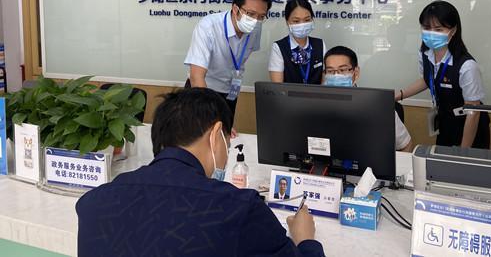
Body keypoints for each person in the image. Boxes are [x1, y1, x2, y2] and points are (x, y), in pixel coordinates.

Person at [76, 88, 325, 257]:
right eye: (228, 143)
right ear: (216, 135)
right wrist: (305, 240)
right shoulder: (238, 208)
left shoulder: (94, 203)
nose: (227, 153)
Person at [397, 0, 490, 148]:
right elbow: (427, 79)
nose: (431, 33)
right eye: (426, 28)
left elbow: (473, 112)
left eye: (438, 29)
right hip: (445, 121)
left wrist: (463, 152)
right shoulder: (425, 53)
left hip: (468, 126)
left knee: (462, 161)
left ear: (453, 30)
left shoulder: (467, 66)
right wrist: (399, 95)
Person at [185, 0, 272, 118]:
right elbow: (196, 77)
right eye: (250, 14)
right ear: (235, 9)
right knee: (201, 128)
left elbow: (241, 58)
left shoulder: (256, 28)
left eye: (261, 16)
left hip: (231, 90)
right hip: (202, 91)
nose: (255, 21)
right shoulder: (208, 26)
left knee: (227, 129)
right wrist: (211, 115)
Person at [322, 46, 413, 152]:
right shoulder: (318, 107)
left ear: (356, 73)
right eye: (330, 71)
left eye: (342, 70)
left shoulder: (380, 107)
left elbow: (406, 145)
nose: (336, 76)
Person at [269, 0, 326, 84]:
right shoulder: (279, 47)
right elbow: (277, 86)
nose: (302, 24)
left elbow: (325, 80)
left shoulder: (320, 45)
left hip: (317, 93)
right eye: (296, 21)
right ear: (287, 22)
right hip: (288, 93)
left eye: (307, 20)